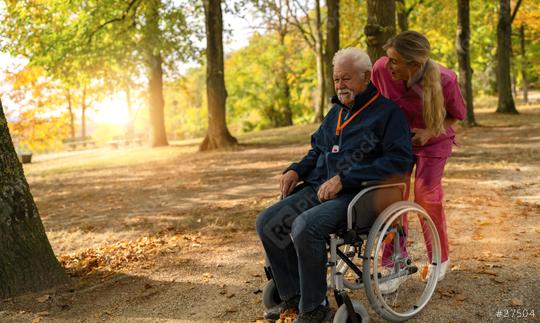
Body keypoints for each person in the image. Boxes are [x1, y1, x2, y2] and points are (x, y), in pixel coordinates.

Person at [255, 48, 413, 323]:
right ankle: (294, 296)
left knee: (305, 227)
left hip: (358, 196)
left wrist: (345, 179)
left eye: (347, 79)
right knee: (269, 222)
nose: (340, 85)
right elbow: (317, 150)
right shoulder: (335, 113)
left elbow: (399, 162)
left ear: (366, 77)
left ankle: (315, 309)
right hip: (320, 189)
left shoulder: (388, 114)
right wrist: (296, 169)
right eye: (337, 79)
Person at [371, 31, 466, 284]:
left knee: (425, 195)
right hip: (397, 143)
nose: (387, 64)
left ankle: (439, 258)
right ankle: (395, 262)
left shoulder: (446, 79)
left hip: (432, 142)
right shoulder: (381, 69)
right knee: (392, 195)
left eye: (395, 61)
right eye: (388, 58)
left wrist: (429, 131)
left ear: (413, 64)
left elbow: (457, 114)